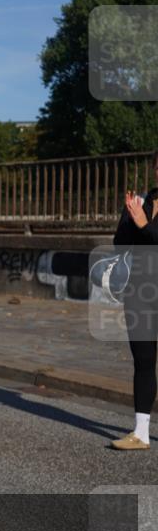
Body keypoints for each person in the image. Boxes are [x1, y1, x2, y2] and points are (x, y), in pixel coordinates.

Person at [111, 149, 158, 451]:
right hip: (141, 292)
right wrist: (130, 219)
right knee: (143, 362)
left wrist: (143, 224)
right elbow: (120, 245)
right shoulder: (144, 202)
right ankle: (141, 432)